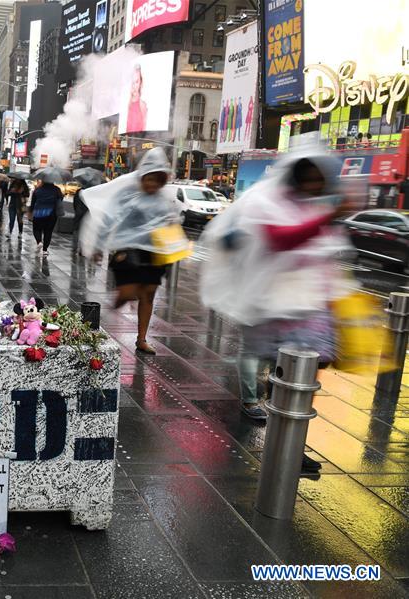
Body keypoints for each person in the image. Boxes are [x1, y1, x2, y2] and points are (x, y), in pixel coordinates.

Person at [200, 148, 354, 474]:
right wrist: (327, 217)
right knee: (293, 380)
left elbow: (322, 258)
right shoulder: (264, 202)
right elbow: (279, 240)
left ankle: (290, 444)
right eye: (308, 178)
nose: (314, 184)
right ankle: (285, 445)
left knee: (304, 380)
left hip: (310, 309)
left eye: (319, 179)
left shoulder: (312, 205)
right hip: (276, 312)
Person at [79, 148, 184, 354]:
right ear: (142, 175)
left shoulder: (164, 199)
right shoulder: (126, 193)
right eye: (149, 179)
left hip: (154, 255)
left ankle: (141, 339)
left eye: (157, 180)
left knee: (148, 296)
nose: (152, 184)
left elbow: (171, 224)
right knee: (128, 293)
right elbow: (107, 218)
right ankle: (113, 310)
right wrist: (98, 246)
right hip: (128, 253)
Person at [29, 179, 63, 255]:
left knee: (36, 229)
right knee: (48, 232)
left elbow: (33, 202)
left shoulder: (38, 190)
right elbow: (61, 198)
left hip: (38, 213)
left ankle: (39, 242)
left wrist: (31, 211)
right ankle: (45, 250)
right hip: (51, 214)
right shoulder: (56, 189)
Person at [126, 64, 148, 133]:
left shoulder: (143, 105)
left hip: (137, 141)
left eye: (137, 82)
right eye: (132, 82)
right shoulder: (126, 104)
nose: (134, 86)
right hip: (125, 141)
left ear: (140, 83)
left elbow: (144, 129)